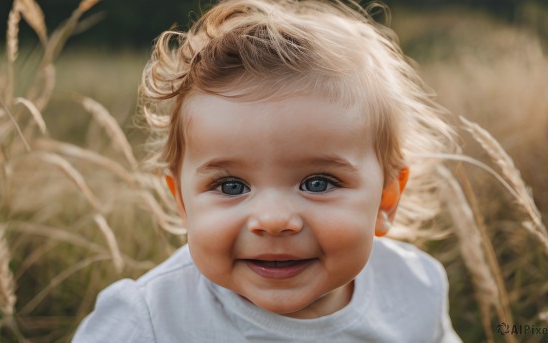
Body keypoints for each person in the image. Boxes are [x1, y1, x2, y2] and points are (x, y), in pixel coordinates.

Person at [73, 0, 462, 341]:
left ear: (386, 199)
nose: (273, 221)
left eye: (318, 182)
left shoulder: (414, 289)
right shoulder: (149, 320)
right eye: (230, 186)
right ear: (183, 203)